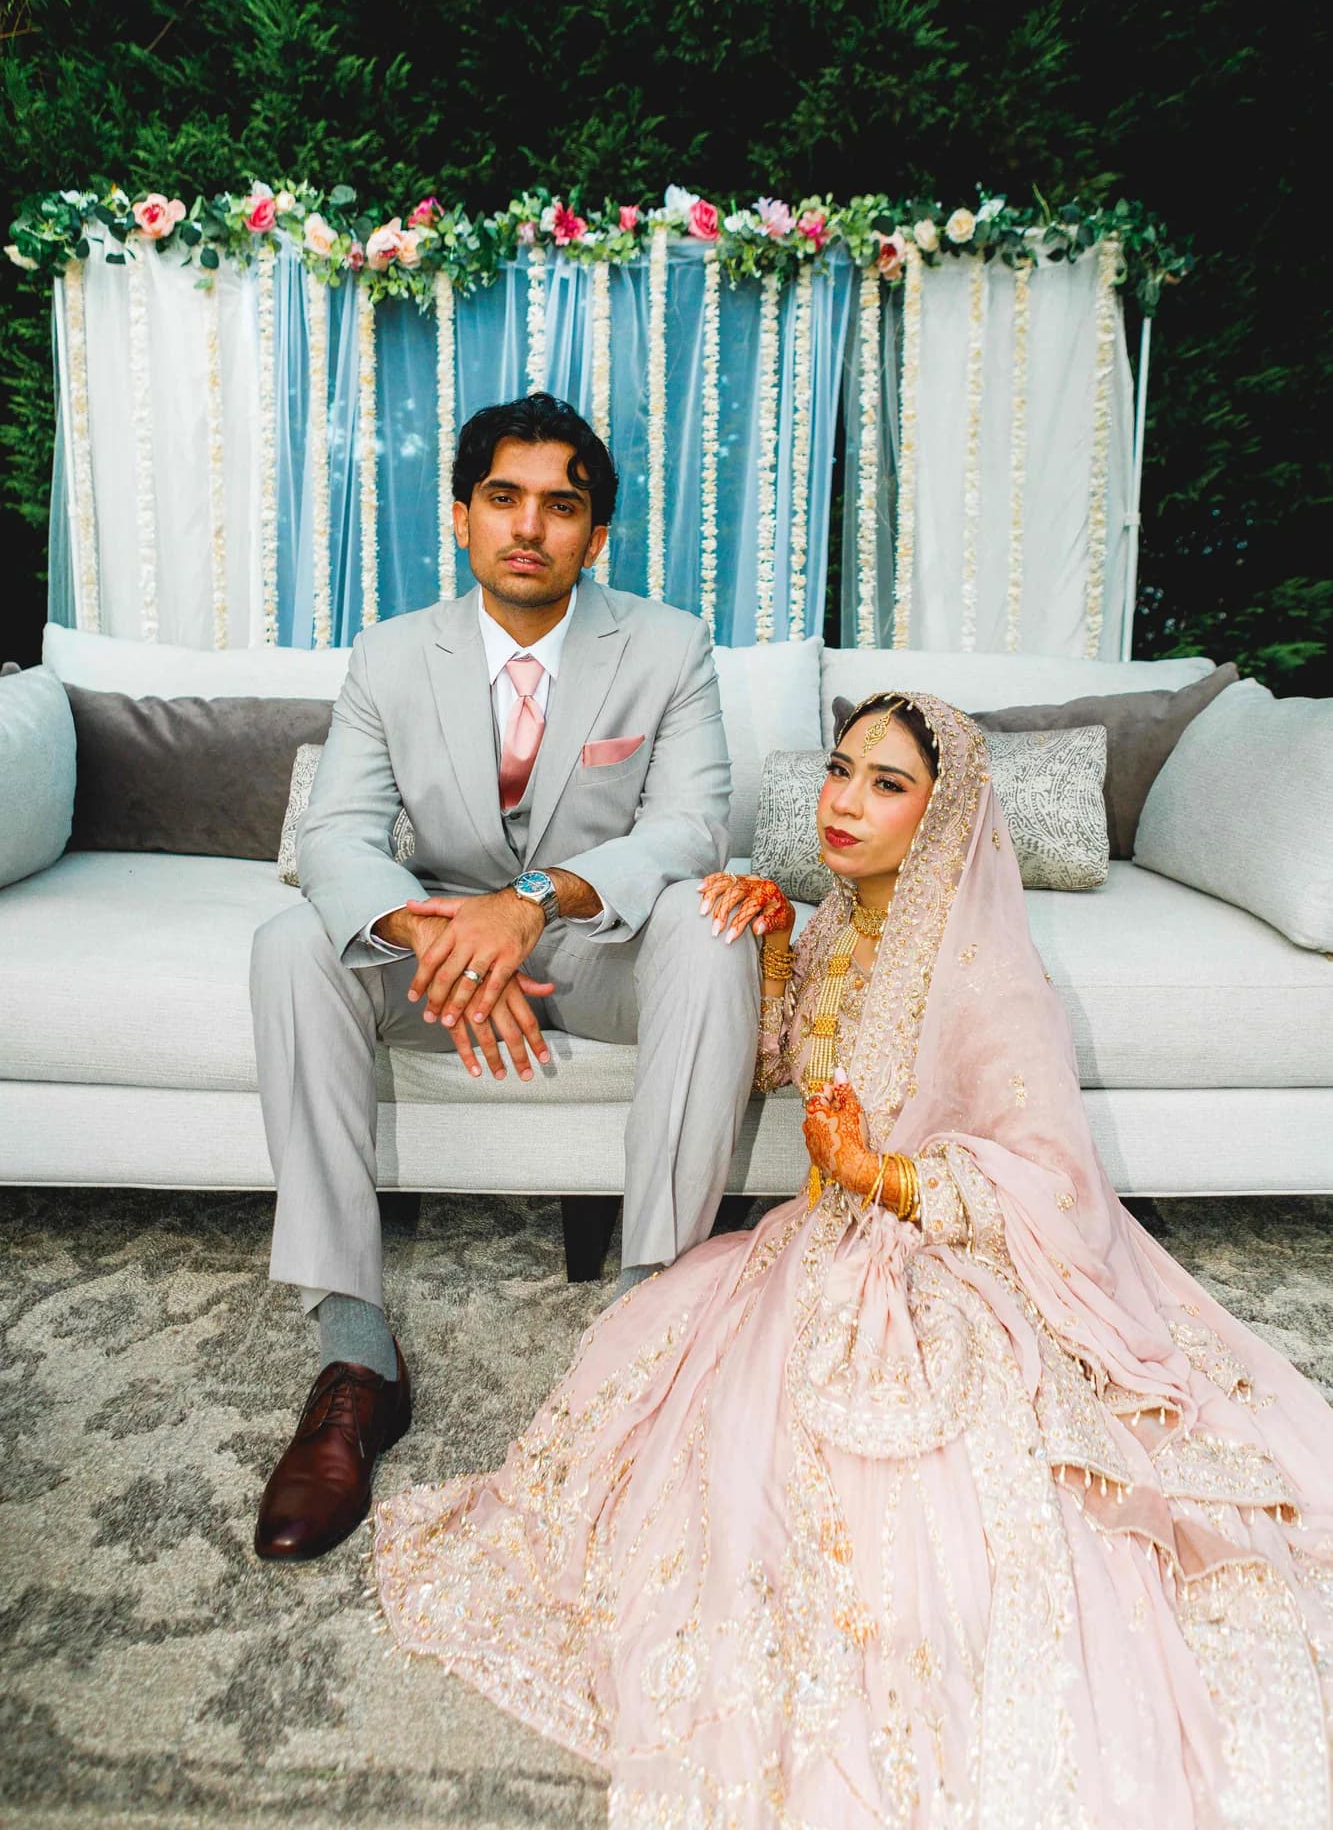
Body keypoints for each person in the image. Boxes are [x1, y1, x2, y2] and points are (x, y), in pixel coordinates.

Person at [372, 689, 1333, 1827]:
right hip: (825, 1234)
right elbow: (786, 1060)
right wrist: (772, 946)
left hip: (942, 1257)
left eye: (887, 785)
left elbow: (1056, 1184)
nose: (846, 802)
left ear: (941, 818)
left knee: (908, 1501)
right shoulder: (836, 921)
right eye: (839, 771)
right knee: (671, 1429)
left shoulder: (980, 968)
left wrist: (881, 1176)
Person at [250, 392, 759, 1562]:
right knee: (289, 940)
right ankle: (353, 1348)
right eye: (504, 496)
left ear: (594, 533)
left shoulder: (670, 645)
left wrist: (528, 906)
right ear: (463, 517)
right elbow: (336, 836)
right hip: (437, 956)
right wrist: (436, 935)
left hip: (588, 950)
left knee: (709, 927)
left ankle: (649, 1313)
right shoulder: (388, 653)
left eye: (561, 504)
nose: (530, 525)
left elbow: (689, 830)